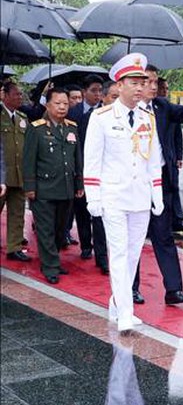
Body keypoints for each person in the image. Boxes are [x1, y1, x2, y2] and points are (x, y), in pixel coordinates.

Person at [83, 53, 163, 332]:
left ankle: (117, 302)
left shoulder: (147, 117)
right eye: (134, 82)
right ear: (119, 84)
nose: (140, 88)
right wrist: (93, 196)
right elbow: (92, 159)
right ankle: (126, 313)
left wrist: (158, 193)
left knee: (132, 255)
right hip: (113, 196)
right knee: (118, 253)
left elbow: (153, 159)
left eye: (143, 82)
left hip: (140, 196)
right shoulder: (101, 117)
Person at [134, 65, 183, 306]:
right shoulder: (125, 111)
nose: (153, 85)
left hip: (162, 181)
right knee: (134, 238)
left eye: (155, 81)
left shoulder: (162, 106)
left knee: (164, 236)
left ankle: (174, 290)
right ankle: (131, 288)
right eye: (147, 81)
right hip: (135, 183)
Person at [23, 87, 84, 284]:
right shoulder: (37, 128)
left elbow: (77, 158)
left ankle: (52, 259)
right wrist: (30, 187)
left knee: (60, 230)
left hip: (66, 187)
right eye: (57, 103)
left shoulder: (72, 127)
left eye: (65, 104)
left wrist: (79, 183)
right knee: (45, 229)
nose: (62, 107)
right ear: (47, 105)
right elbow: (28, 159)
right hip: (44, 188)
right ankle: (50, 266)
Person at [67, 74, 109, 272]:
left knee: (99, 215)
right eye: (94, 91)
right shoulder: (73, 113)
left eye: (100, 91)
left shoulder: (105, 113)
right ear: (84, 92)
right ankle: (86, 245)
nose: (97, 94)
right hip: (80, 168)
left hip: (101, 171)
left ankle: (102, 258)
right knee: (82, 210)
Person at [1, 81, 31, 262]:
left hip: (19, 173)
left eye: (21, 94)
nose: (19, 97)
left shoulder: (22, 118)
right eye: (16, 94)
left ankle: (14, 247)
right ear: (5, 95)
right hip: (2, 174)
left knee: (17, 212)